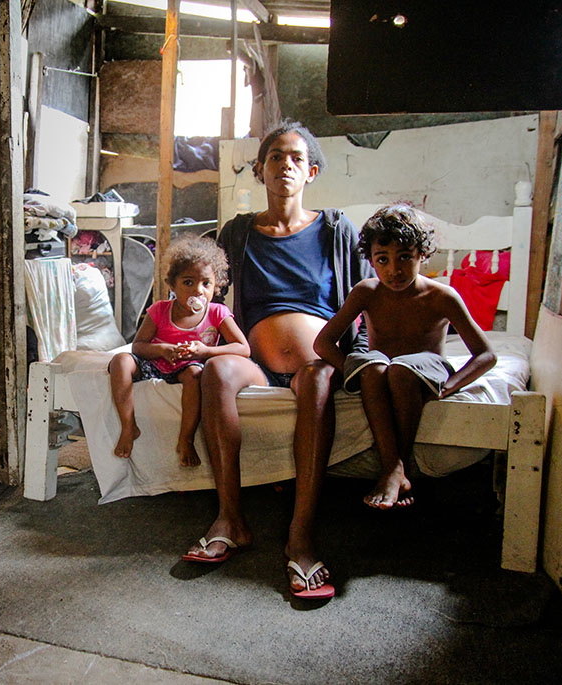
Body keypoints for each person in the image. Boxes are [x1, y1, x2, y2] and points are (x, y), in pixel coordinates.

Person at [182, 121, 372, 600]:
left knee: (319, 381)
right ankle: (231, 517)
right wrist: (172, 338)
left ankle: (301, 536)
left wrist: (370, 350)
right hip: (254, 358)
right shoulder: (239, 232)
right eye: (274, 157)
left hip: (316, 362)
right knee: (217, 371)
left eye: (294, 157)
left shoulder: (334, 229)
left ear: (310, 171)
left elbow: (367, 293)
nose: (284, 164)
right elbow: (207, 294)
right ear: (261, 170)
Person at [314, 204, 496, 510]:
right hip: (380, 367)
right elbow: (323, 343)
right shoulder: (367, 291)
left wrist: (450, 385)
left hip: (424, 368)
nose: (393, 270)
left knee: (398, 370)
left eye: (405, 258)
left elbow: (486, 354)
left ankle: (392, 470)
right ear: (370, 260)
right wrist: (352, 370)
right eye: (382, 260)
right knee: (374, 367)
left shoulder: (442, 296)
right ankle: (396, 468)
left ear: (422, 256)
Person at [108, 234, 250, 467]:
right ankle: (128, 426)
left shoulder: (217, 313)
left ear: (217, 286)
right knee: (120, 361)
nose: (198, 290)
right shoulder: (159, 310)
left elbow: (243, 348)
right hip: (157, 363)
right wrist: (162, 349)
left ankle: (186, 439)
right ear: (172, 285)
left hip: (190, 366)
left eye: (206, 283)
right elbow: (138, 346)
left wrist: (204, 351)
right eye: (188, 282)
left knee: (194, 375)